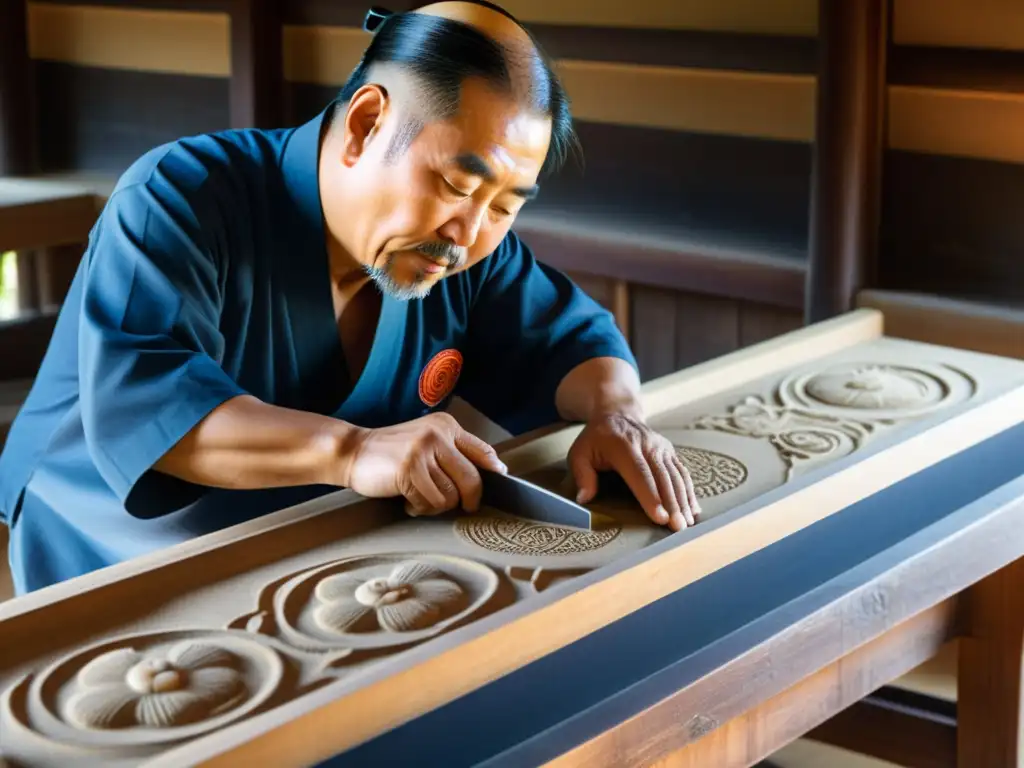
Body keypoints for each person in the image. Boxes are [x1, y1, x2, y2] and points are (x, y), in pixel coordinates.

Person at [0, 0, 699, 595]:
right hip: (115, 531)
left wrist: (618, 417)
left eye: (507, 205)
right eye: (458, 186)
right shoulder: (180, 196)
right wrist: (353, 450)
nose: (471, 232)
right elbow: (147, 406)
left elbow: (572, 341)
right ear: (366, 124)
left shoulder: (468, 249)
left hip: (307, 532)